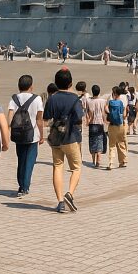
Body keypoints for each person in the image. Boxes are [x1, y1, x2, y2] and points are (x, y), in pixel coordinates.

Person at [43, 69, 83, 214]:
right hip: (71, 137)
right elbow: (79, 118)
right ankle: (70, 194)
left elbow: (46, 117)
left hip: (56, 137)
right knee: (77, 167)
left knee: (57, 166)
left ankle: (60, 201)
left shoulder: (52, 98)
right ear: (71, 83)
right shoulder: (74, 99)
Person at [7, 74, 44, 197]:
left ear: (19, 86)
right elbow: (39, 119)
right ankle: (25, 187)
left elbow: (10, 117)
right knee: (29, 161)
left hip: (18, 135)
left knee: (21, 160)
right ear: (31, 86)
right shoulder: (37, 99)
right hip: (32, 135)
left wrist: (8, 130)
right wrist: (42, 135)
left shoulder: (14, 98)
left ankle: (21, 185)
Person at [85, 85, 108, 168]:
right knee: (99, 141)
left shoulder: (88, 101)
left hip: (92, 124)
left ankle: (93, 160)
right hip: (100, 123)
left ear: (92, 91)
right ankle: (98, 159)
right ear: (99, 91)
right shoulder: (103, 101)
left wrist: (87, 121)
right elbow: (106, 111)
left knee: (92, 142)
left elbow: (87, 113)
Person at [106, 87, 128, 169]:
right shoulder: (123, 100)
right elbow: (124, 115)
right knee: (121, 143)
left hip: (112, 125)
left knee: (112, 145)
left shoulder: (111, 102)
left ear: (114, 93)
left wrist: (111, 114)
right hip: (121, 125)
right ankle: (123, 161)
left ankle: (111, 163)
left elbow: (106, 109)